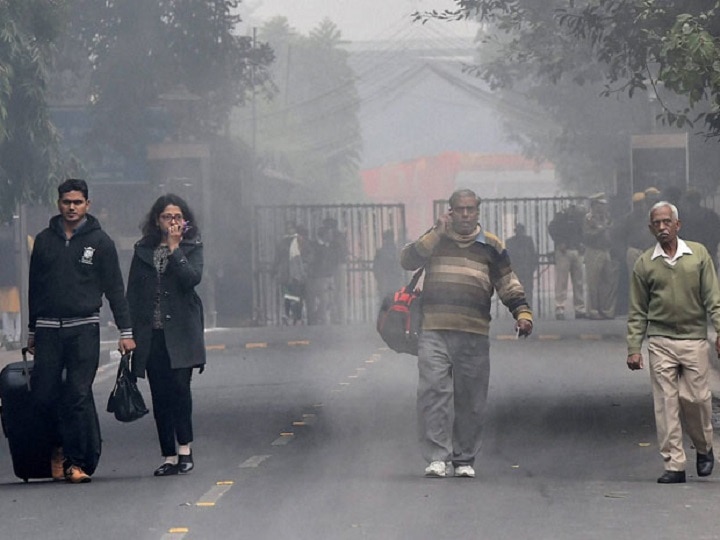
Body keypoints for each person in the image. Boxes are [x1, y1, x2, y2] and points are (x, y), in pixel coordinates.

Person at [401, 188, 533, 479]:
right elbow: (407, 259)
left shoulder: (492, 246)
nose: (464, 214)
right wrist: (436, 232)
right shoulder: (434, 239)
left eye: (469, 209)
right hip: (434, 330)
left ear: (477, 212)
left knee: (470, 399)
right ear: (449, 211)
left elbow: (508, 283)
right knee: (433, 393)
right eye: (458, 209)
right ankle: (437, 457)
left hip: (473, 332)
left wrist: (522, 313)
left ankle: (463, 458)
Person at [27, 178, 135, 484]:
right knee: (43, 396)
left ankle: (75, 462)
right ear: (58, 203)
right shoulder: (44, 241)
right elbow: (35, 288)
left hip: (84, 330)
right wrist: (32, 331)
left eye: (77, 202)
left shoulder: (101, 242)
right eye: (66, 202)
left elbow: (115, 290)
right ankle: (58, 447)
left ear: (87, 204)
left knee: (77, 394)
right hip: (48, 330)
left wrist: (125, 332)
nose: (71, 207)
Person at [627, 201, 720, 484]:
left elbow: (713, 299)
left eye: (667, 222)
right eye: (657, 223)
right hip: (660, 341)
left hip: (693, 339)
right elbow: (637, 309)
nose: (662, 227)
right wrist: (634, 347)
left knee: (695, 399)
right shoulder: (645, 263)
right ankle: (674, 464)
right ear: (650, 228)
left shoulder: (698, 255)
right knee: (665, 402)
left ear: (677, 225)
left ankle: (704, 448)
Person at [125, 194, 206, 477]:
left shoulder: (192, 246)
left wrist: (175, 249)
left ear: (185, 221)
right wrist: (128, 331)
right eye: (166, 217)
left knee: (180, 391)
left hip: (182, 332)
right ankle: (168, 455)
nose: (172, 222)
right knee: (160, 395)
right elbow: (133, 293)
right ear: (156, 220)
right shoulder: (143, 250)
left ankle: (185, 448)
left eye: (177, 217)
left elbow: (191, 279)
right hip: (152, 334)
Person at [548, 204, 586, 320]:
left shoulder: (578, 218)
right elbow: (552, 228)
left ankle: (579, 308)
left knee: (578, 282)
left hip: (575, 250)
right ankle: (560, 307)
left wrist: (581, 243)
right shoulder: (561, 217)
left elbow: (583, 232)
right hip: (564, 251)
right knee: (562, 282)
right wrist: (560, 242)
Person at [583, 192, 617, 319]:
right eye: (600, 204)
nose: (603, 207)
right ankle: (593, 310)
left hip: (605, 250)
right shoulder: (589, 218)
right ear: (595, 205)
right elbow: (586, 235)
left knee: (607, 281)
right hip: (594, 250)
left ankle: (606, 309)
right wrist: (600, 230)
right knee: (593, 282)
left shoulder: (607, 217)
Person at [274, 223, 313, 325]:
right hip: (286, 274)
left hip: (297, 273)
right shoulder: (282, 243)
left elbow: (309, 255)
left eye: (291, 228)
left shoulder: (301, 241)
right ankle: (289, 315)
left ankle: (297, 316)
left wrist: (304, 264)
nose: (289, 230)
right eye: (288, 228)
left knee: (298, 295)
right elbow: (277, 258)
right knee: (287, 295)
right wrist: (275, 270)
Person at [505, 223, 538, 307]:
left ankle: (526, 304)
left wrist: (532, 267)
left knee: (527, 289)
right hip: (517, 269)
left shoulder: (528, 241)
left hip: (526, 269)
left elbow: (533, 255)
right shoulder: (509, 242)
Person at [0, 222, 21, 348]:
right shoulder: (18, 235)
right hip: (15, 278)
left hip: (3, 278)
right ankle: (16, 336)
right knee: (16, 310)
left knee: (5, 310)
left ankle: (10, 336)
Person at [372, 229, 404, 301]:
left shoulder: (382, 253)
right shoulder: (397, 252)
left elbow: (376, 269)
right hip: (390, 284)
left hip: (389, 284)